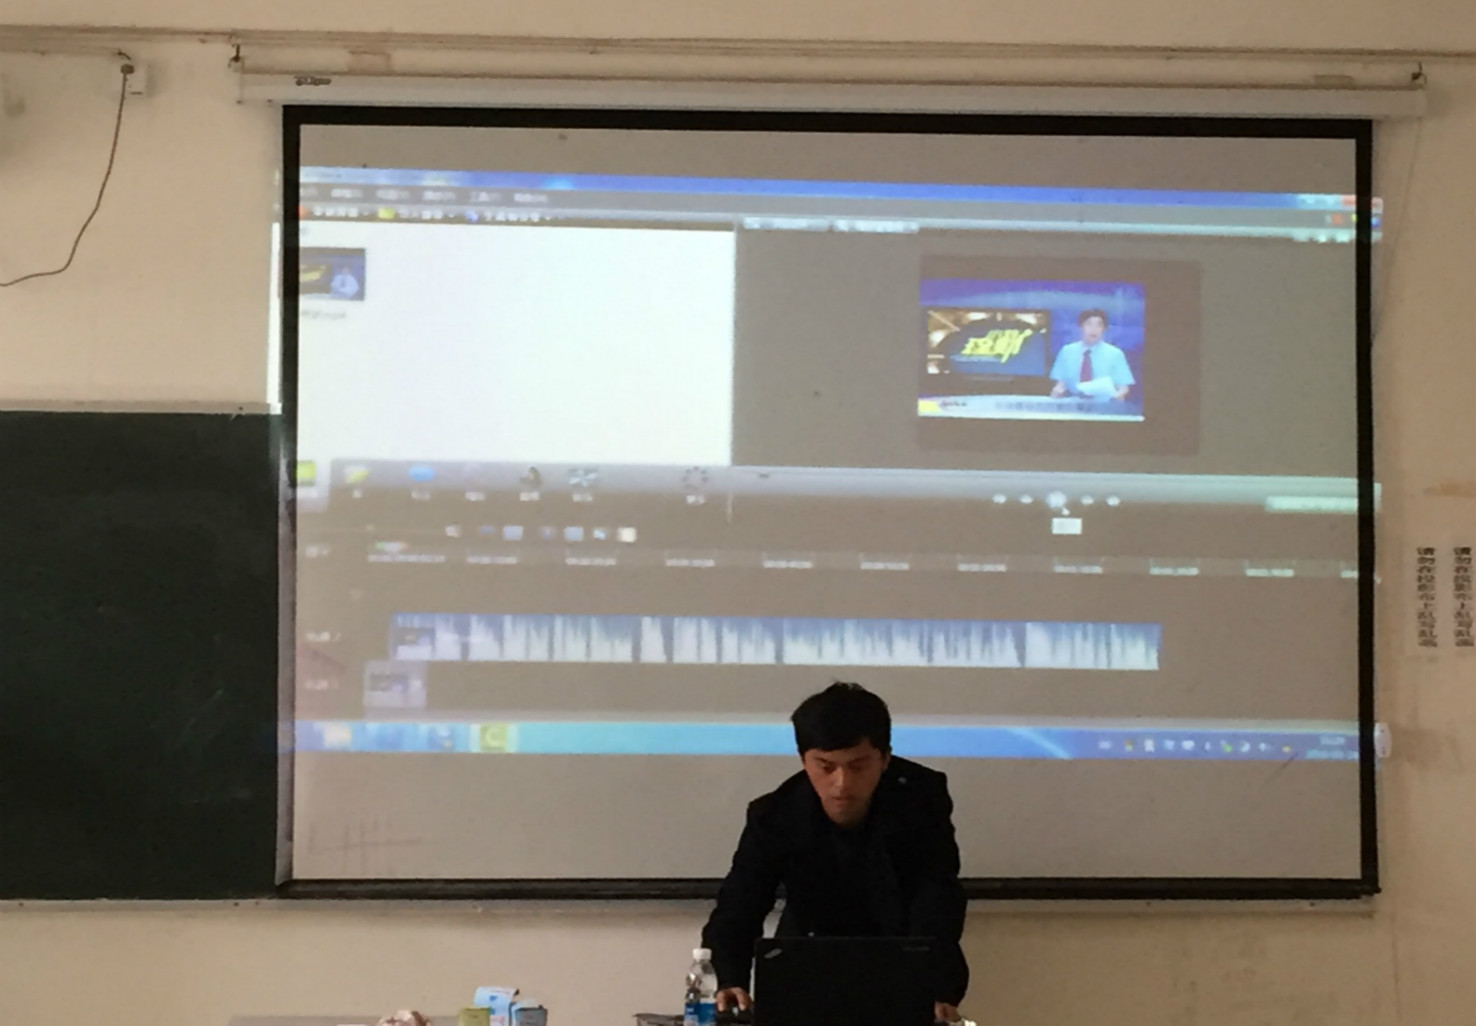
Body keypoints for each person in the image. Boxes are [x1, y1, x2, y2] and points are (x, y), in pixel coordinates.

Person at [701, 683, 969, 1023]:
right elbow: (739, 905)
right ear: (804, 761)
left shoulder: (921, 797)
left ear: (885, 759)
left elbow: (938, 894)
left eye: (858, 766)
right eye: (826, 767)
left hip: (902, 951)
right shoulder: (776, 814)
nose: (842, 783)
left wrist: (934, 986)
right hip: (807, 958)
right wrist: (730, 980)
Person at [1049, 309, 1134, 400]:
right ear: (1081, 327)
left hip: (1104, 404)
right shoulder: (1067, 351)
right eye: (1089, 324)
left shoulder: (1115, 354)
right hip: (1073, 403)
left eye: (1099, 325)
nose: (1094, 329)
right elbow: (1060, 384)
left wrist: (1116, 397)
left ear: (1104, 329)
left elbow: (1123, 388)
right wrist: (1057, 392)